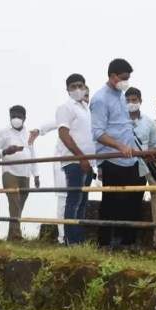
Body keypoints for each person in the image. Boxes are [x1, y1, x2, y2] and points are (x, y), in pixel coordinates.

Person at [90, 58, 145, 250]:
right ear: (113, 76)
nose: (126, 81)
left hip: (130, 158)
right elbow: (98, 133)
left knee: (131, 201)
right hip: (111, 158)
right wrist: (119, 146)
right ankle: (105, 243)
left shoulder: (121, 95)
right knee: (111, 201)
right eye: (123, 78)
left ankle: (127, 243)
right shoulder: (99, 99)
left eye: (128, 78)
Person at [31, 87, 92, 245]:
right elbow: (56, 123)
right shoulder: (68, 110)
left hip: (86, 163)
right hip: (66, 160)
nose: (84, 96)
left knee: (81, 199)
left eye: (87, 94)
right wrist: (39, 130)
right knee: (65, 199)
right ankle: (62, 238)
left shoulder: (88, 114)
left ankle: (74, 238)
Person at [55, 74, 95, 244]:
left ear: (85, 87)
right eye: (73, 86)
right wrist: (81, 157)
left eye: (80, 85)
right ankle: (69, 240)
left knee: (83, 201)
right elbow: (63, 134)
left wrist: (91, 161)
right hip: (74, 161)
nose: (77, 89)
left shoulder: (86, 108)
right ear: (67, 89)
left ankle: (77, 239)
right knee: (74, 200)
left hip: (89, 161)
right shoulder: (65, 107)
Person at [0, 105, 40, 242]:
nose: (16, 119)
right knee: (15, 202)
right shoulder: (2, 133)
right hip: (9, 171)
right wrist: (5, 151)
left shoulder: (28, 133)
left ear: (24, 117)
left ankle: (11, 236)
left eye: (19, 116)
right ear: (9, 117)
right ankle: (16, 236)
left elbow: (31, 153)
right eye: (13, 116)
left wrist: (36, 174)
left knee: (19, 206)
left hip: (25, 173)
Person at [125, 87, 156, 248]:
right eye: (128, 100)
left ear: (140, 101)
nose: (131, 103)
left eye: (134, 100)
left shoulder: (148, 122)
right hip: (127, 166)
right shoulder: (118, 122)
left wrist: (153, 152)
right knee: (130, 201)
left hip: (148, 165)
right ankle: (128, 240)